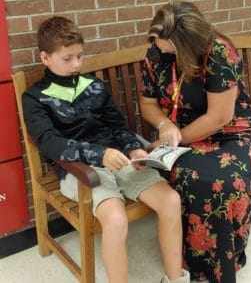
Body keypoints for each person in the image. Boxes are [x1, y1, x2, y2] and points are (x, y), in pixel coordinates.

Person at [22, 16, 190, 283]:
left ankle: (175, 278)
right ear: (45, 57)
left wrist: (134, 147)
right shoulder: (35, 98)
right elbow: (49, 142)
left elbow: (117, 125)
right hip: (79, 170)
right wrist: (99, 154)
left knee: (170, 201)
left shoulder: (95, 86)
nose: (76, 64)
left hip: (119, 158)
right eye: (67, 59)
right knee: (115, 220)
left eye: (79, 56)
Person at [140, 1, 251, 283]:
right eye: (157, 44)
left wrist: (175, 139)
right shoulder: (156, 51)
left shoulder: (220, 52)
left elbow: (220, 117)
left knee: (223, 181)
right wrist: (165, 125)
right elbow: (148, 103)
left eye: (166, 47)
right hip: (183, 135)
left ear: (186, 44)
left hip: (235, 133)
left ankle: (219, 267)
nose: (159, 50)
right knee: (190, 175)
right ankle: (192, 261)